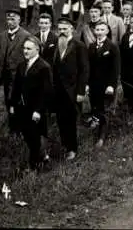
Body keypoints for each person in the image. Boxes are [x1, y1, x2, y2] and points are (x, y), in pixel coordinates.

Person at [10, 36, 53, 172]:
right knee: (27, 135)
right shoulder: (22, 65)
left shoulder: (43, 67)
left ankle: (33, 167)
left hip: (35, 109)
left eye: (29, 48)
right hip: (22, 108)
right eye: (24, 48)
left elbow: (46, 91)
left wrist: (38, 110)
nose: (25, 51)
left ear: (37, 49)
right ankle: (43, 156)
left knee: (35, 136)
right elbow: (16, 87)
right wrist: (12, 104)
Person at [53, 17, 89, 160]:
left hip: (72, 91)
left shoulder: (79, 45)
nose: (62, 32)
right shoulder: (56, 44)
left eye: (65, 29)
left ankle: (72, 149)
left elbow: (84, 70)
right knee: (61, 119)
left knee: (71, 120)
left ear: (71, 29)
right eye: (60, 29)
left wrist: (80, 92)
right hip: (58, 90)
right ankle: (64, 146)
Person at [0, 9, 31, 134]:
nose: (10, 21)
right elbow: (0, 56)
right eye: (8, 19)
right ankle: (12, 127)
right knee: (8, 100)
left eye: (13, 19)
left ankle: (21, 127)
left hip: (19, 75)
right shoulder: (2, 35)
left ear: (19, 20)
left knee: (18, 101)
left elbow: (28, 57)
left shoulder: (25, 35)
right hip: (7, 76)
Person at [87, 21, 120, 148]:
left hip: (107, 85)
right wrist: (87, 84)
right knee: (96, 108)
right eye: (97, 30)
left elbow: (115, 69)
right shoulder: (91, 46)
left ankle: (101, 137)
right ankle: (96, 125)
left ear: (107, 31)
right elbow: (88, 67)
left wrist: (111, 85)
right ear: (94, 31)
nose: (99, 32)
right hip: (94, 85)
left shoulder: (112, 46)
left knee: (105, 110)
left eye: (102, 30)